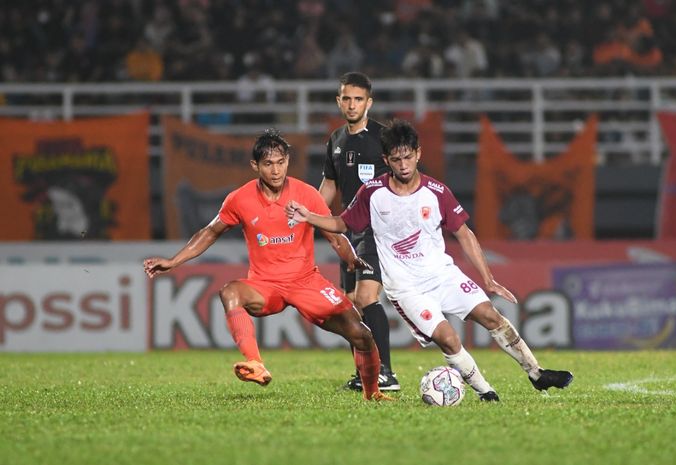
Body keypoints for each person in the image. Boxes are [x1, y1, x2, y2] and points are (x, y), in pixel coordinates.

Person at [287, 120, 574, 401]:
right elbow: (343, 222)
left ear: (418, 154)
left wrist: (488, 279)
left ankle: (537, 374)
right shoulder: (372, 193)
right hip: (406, 287)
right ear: (386, 159)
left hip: (442, 275)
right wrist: (308, 216)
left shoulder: (436, 192)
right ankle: (486, 392)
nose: (403, 165)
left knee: (490, 315)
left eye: (408, 157)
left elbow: (464, 233)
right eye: (396, 159)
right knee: (448, 338)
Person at [144, 128, 391, 402]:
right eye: (268, 164)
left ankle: (373, 394)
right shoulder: (239, 199)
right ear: (255, 165)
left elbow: (335, 236)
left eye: (281, 162)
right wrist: (174, 261)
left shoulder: (307, 195)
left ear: (288, 161)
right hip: (266, 286)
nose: (276, 171)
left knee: (362, 334)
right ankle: (255, 363)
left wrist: (350, 258)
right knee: (230, 292)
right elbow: (210, 231)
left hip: (306, 282)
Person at [320, 71, 399, 391]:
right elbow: (329, 185)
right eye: (346, 99)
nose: (352, 105)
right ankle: (366, 373)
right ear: (339, 101)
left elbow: (406, 177)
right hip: (346, 232)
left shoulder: (384, 138)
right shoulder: (336, 140)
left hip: (376, 230)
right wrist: (308, 214)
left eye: (358, 99)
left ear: (369, 102)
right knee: (351, 302)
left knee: (366, 296)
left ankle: (387, 373)